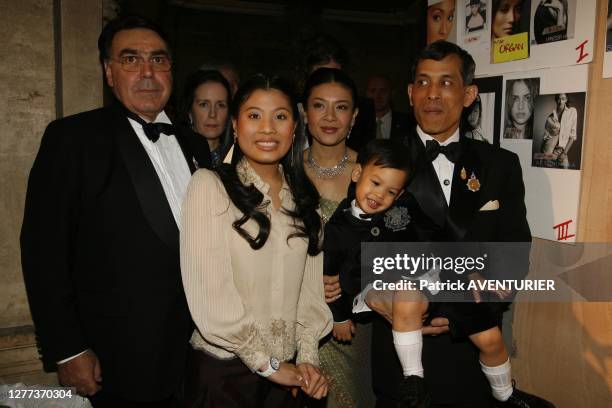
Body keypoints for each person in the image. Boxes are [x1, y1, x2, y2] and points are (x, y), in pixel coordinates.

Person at [20, 15, 211, 407]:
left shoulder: (194, 143)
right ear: (109, 72)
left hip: (197, 352)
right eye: (131, 60)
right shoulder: (73, 139)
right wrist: (68, 349)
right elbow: (44, 251)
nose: (147, 72)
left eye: (159, 60)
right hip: (117, 357)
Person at [368, 40, 554, 408]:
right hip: (401, 358)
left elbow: (514, 253)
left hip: (470, 355)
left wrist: (462, 311)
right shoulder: (379, 160)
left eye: (446, 83)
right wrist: (375, 295)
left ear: (469, 94)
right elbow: (356, 244)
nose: (432, 94)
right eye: (422, 83)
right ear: (409, 92)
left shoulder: (499, 165)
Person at [180, 73, 332, 407]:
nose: (267, 128)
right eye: (254, 116)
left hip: (288, 376)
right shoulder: (210, 187)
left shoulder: (305, 200)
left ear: (295, 128)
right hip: (225, 373)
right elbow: (210, 293)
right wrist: (268, 364)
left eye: (280, 116)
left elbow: (310, 292)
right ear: (235, 124)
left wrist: (307, 358)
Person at [325, 139, 441, 408]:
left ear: (399, 196)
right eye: (375, 183)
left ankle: (414, 378)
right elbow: (329, 275)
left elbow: (431, 233)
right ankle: (414, 379)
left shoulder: (404, 208)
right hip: (369, 286)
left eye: (390, 192)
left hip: (415, 273)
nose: (379, 195)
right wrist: (339, 317)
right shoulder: (339, 225)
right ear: (357, 174)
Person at [301, 67, 375, 408]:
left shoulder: (374, 175)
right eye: (319, 106)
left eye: (341, 107)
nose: (330, 117)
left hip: (353, 325)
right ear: (304, 113)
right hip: (293, 319)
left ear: (355, 116)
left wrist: (349, 279)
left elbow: (397, 248)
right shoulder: (283, 171)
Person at [296, 33, 376, 152]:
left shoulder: (364, 113)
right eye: (320, 78)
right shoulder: (288, 110)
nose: (329, 82)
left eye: (341, 107)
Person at [182, 69, 232, 167]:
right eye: (204, 104)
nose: (212, 114)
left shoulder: (239, 163)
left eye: (220, 105)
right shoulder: (176, 156)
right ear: (190, 112)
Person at [366, 75, 413, 141]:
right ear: (367, 94)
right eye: (373, 91)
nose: (378, 96)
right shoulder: (358, 124)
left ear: (392, 94)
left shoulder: (407, 123)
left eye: (383, 91)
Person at [540, 93, 577, 169]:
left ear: (566, 100)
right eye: (558, 99)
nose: (560, 101)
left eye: (563, 99)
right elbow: (545, 138)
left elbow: (572, 136)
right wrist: (540, 156)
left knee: (565, 174)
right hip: (548, 152)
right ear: (556, 100)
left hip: (561, 151)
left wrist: (564, 153)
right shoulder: (550, 117)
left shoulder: (572, 112)